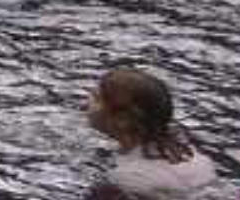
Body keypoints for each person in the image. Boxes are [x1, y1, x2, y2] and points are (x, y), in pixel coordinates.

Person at [88, 65, 213, 193]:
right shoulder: (196, 158)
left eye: (97, 99)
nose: (88, 101)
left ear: (122, 120)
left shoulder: (129, 178)